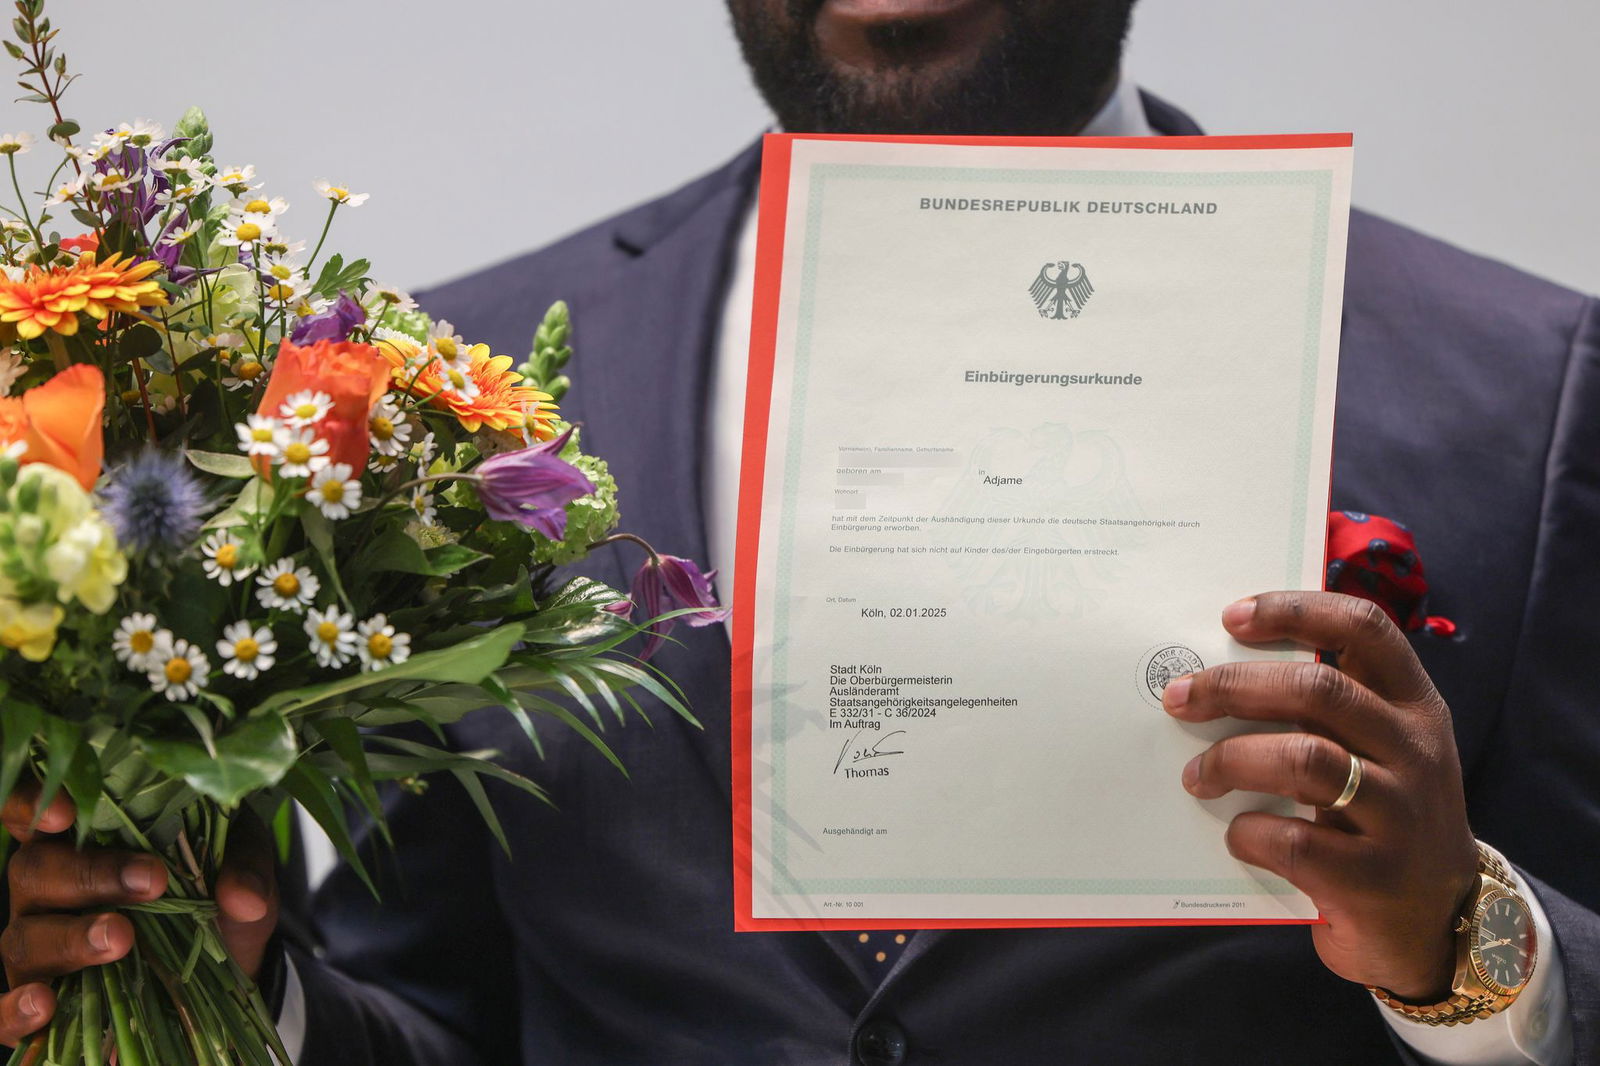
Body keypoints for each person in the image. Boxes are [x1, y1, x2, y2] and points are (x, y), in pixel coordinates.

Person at [5, 1, 1599, 1062]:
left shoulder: (1520, 392)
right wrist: (228, 984)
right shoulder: (461, 397)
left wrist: (1465, 934)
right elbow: (444, 1006)